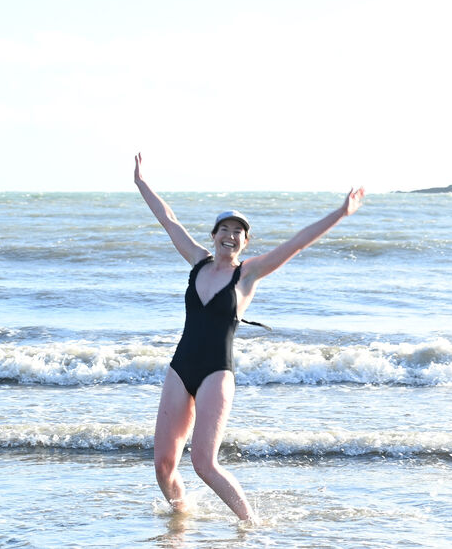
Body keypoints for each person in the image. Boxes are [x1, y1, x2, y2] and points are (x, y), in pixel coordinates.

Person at [134, 152, 365, 521]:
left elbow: (297, 243)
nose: (230, 234)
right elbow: (169, 220)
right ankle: (181, 516)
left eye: (238, 231)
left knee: (204, 464)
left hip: (215, 373)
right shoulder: (196, 262)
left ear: (244, 242)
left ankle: (250, 524)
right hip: (181, 368)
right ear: (213, 236)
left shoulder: (248, 275)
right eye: (224, 229)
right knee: (163, 466)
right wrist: (142, 183)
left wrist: (340, 213)